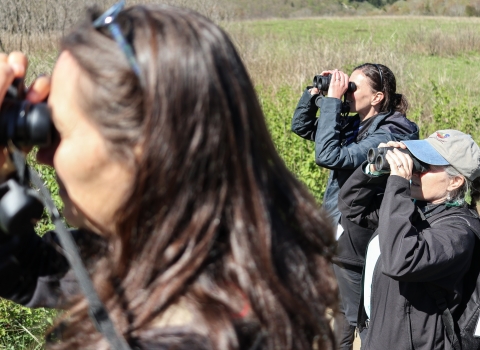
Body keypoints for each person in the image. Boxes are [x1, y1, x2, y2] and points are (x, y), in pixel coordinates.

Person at [0, 3, 338, 350]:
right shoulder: (218, 256)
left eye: (57, 133)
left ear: (146, 145)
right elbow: (35, 271)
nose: (41, 156)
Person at [291, 63, 419, 349]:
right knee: (340, 309)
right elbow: (300, 126)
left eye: (353, 87)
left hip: (363, 231)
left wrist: (334, 101)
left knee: (358, 314)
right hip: (342, 226)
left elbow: (328, 156)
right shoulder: (356, 123)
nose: (347, 92)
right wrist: (315, 94)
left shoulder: (390, 132)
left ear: (376, 97)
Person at [338, 130, 480, 349]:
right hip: (378, 336)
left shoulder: (459, 231)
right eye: (416, 161)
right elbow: (353, 207)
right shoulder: (415, 209)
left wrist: (398, 185)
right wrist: (373, 171)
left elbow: (401, 260)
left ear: (455, 181)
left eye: (424, 166)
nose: (414, 171)